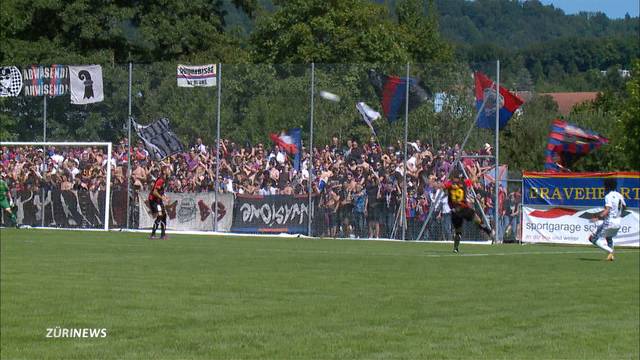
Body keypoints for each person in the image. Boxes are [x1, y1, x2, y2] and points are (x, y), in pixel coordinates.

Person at [442, 172, 492, 253]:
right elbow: (474, 179)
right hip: (464, 208)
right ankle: (486, 230)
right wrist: (474, 173)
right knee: (476, 218)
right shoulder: (464, 183)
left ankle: (455, 248)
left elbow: (442, 186)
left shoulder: (449, 184)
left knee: (458, 231)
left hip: (455, 211)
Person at [588, 178, 626, 261]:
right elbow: (624, 207)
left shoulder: (608, 196)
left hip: (609, 222)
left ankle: (610, 251)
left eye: (604, 185)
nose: (604, 187)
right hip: (618, 222)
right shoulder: (620, 195)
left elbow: (607, 209)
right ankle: (611, 257)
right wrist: (618, 213)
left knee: (592, 239)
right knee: (609, 238)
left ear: (607, 186)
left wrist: (598, 217)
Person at [148, 167, 170, 240]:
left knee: (163, 216)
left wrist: (165, 197)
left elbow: (160, 191)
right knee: (161, 216)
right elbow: (154, 192)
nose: (169, 171)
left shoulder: (164, 180)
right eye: (168, 169)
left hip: (158, 201)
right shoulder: (160, 180)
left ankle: (162, 235)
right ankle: (153, 235)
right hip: (154, 201)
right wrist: (162, 198)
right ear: (164, 171)